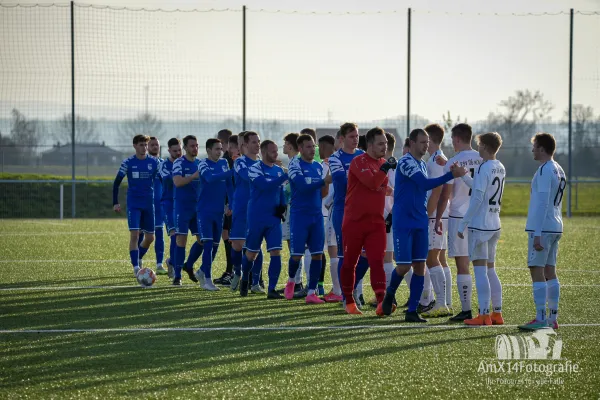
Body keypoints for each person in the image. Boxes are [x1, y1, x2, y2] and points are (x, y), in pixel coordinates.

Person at [382, 128, 467, 322]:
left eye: (427, 142)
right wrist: (451, 175)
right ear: (411, 143)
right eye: (422, 142)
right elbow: (424, 184)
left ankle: (412, 311)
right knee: (403, 266)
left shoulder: (421, 163)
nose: (426, 145)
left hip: (420, 221)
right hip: (403, 222)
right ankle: (389, 293)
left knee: (420, 266)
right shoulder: (405, 162)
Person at [340, 127, 395, 315]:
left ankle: (381, 301)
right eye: (380, 143)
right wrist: (385, 168)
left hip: (376, 223)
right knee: (350, 263)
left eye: (386, 144)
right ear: (370, 144)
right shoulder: (359, 162)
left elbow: (381, 187)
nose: (384, 147)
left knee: (377, 261)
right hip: (354, 222)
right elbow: (372, 183)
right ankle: (348, 300)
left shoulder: (382, 163)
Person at [435, 123, 482, 322]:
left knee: (462, 266)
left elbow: (446, 194)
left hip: (458, 217)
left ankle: (466, 310)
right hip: (480, 217)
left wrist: (437, 218)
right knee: (483, 265)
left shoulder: (453, 162)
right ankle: (488, 310)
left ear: (456, 139)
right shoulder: (483, 159)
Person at [456, 132, 505, 326]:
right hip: (495, 223)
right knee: (491, 270)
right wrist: (464, 175)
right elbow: (480, 189)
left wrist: (463, 222)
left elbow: (477, 198)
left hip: (480, 225)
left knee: (479, 270)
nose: (478, 148)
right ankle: (497, 313)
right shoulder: (500, 166)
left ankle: (484, 315)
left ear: (484, 146)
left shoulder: (485, 167)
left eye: (479, 145)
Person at [519, 133, 565, 331]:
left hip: (543, 228)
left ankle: (540, 318)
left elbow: (543, 202)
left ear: (542, 149)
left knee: (536, 270)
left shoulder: (545, 169)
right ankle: (552, 318)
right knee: (550, 271)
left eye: (535, 146)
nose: (532, 150)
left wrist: (537, 233)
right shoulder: (559, 169)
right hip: (555, 225)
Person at [284, 134, 332, 303]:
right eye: (309, 147)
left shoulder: (319, 167)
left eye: (313, 146)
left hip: (316, 216)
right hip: (299, 216)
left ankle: (311, 293)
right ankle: (291, 281)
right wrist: (323, 181)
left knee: (318, 255)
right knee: (296, 255)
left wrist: (325, 184)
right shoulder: (294, 164)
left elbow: (323, 192)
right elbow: (303, 187)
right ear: (301, 149)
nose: (313, 150)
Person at [329, 122, 369, 307]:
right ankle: (347, 297)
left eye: (357, 136)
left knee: (367, 255)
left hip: (363, 212)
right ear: (342, 139)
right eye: (352, 136)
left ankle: (351, 289)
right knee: (345, 256)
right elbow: (341, 182)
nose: (356, 139)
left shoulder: (363, 155)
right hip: (343, 212)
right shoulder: (335, 158)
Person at [242, 139, 289, 298]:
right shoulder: (254, 169)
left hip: (273, 218)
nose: (276, 153)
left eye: (277, 150)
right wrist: (285, 176)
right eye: (272, 151)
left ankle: (272, 289)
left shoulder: (278, 170)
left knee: (276, 251)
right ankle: (244, 280)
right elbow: (265, 186)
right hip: (257, 216)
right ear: (263, 152)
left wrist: (282, 205)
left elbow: (280, 191)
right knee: (251, 254)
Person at [112, 134, 160, 278]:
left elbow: (163, 180)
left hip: (148, 203)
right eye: (141, 145)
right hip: (134, 203)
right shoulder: (128, 163)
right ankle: (136, 266)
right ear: (134, 146)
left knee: (150, 237)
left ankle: (138, 256)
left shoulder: (154, 163)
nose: (144, 148)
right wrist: (115, 202)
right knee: (135, 234)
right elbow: (116, 183)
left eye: (146, 145)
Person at [421, 124, 453, 317]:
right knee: (441, 258)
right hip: (442, 214)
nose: (424, 144)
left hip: (435, 215)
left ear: (431, 140)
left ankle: (439, 302)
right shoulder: (439, 159)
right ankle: (445, 301)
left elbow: (439, 190)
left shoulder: (436, 161)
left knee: (431, 258)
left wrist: (430, 215)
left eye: (425, 140)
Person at [194, 138, 235, 290]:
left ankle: (201, 272)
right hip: (205, 211)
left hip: (219, 212)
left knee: (216, 247)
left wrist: (231, 203)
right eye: (216, 149)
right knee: (208, 245)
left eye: (221, 149)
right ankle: (208, 281)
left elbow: (229, 185)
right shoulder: (203, 164)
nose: (220, 151)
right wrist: (230, 172)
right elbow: (210, 179)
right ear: (209, 150)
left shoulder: (224, 163)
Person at [229, 131, 264, 292]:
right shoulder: (240, 162)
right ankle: (237, 271)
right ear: (245, 145)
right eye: (254, 142)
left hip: (257, 209)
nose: (257, 144)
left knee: (256, 246)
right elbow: (246, 176)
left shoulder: (263, 163)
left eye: (258, 141)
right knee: (237, 245)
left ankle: (255, 282)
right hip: (242, 208)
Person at [172, 135, 202, 286]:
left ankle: (188, 265)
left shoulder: (201, 163)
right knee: (181, 241)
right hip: (182, 208)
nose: (195, 148)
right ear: (185, 148)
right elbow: (177, 182)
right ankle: (177, 276)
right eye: (192, 146)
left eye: (196, 145)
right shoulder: (179, 163)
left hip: (198, 209)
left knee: (202, 240)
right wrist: (193, 176)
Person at [319, 135, 342, 302]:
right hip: (341, 211)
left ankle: (337, 290)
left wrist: (327, 202)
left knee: (334, 251)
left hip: (333, 211)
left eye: (320, 147)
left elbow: (327, 191)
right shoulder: (342, 161)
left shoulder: (330, 163)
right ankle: (352, 292)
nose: (317, 151)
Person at [158, 138, 182, 278]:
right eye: (175, 151)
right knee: (175, 236)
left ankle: (171, 261)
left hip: (183, 204)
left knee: (182, 237)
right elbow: (169, 179)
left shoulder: (186, 162)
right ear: (169, 151)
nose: (178, 153)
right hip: (168, 204)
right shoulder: (164, 165)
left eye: (180, 150)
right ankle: (175, 266)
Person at [214, 129, 235, 286]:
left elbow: (230, 183)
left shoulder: (228, 159)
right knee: (228, 236)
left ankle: (231, 272)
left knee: (230, 236)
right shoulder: (229, 158)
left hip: (232, 204)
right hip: (231, 203)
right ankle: (231, 271)